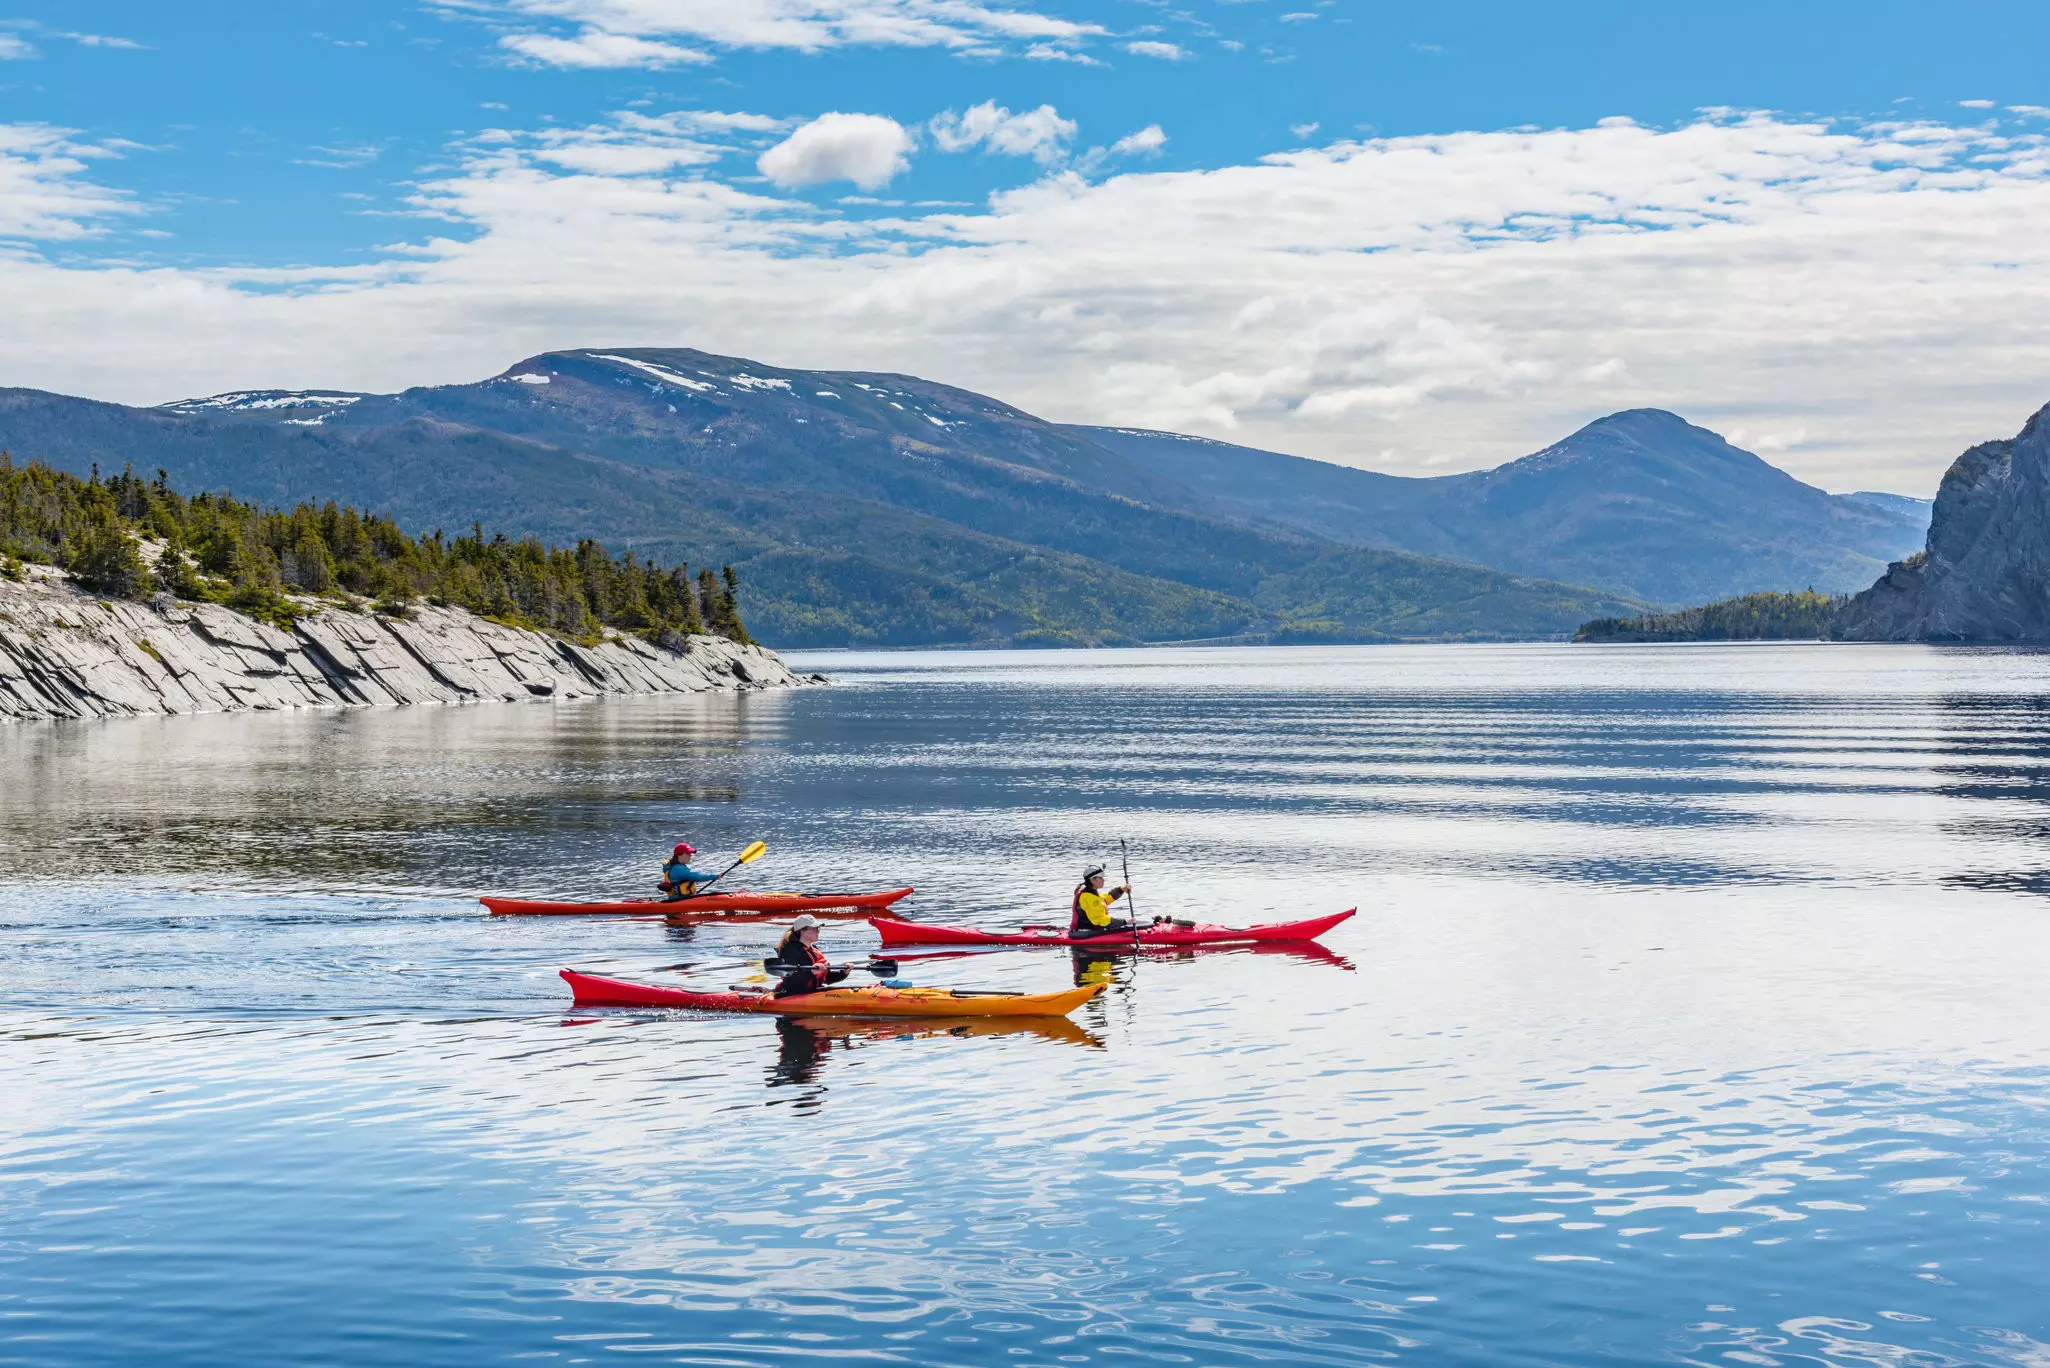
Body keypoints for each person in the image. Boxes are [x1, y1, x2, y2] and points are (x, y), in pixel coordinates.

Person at [767, 914, 852, 996]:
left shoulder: (814, 950)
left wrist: (843, 972)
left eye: (818, 928)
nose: (818, 931)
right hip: (793, 994)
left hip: (813, 992)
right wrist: (811, 972)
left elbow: (826, 978)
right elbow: (792, 980)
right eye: (814, 928)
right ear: (802, 931)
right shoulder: (791, 950)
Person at [1069, 864, 1136, 940]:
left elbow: (1105, 899)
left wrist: (1121, 889)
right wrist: (1124, 922)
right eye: (1100, 878)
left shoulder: (1090, 892)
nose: (1103, 880)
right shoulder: (1088, 897)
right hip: (1089, 932)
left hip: (1092, 929)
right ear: (1092, 880)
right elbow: (1099, 919)